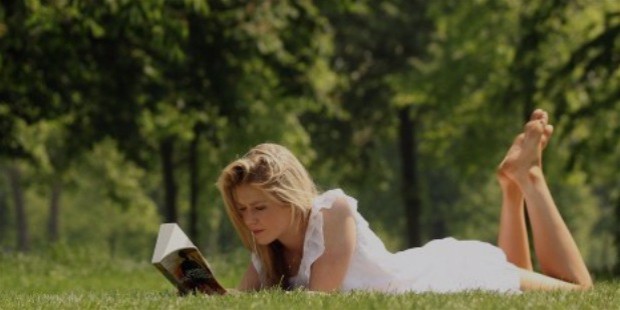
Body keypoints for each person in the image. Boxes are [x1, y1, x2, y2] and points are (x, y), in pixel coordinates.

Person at [216, 109, 593, 293]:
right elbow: (243, 300)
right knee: (526, 285)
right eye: (243, 209)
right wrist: (196, 286)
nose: (250, 219)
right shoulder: (267, 248)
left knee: (578, 292)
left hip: (444, 277)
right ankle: (511, 189)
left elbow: (319, 299)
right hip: (422, 264)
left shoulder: (333, 211)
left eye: (260, 207)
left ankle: (530, 178)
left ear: (290, 198)